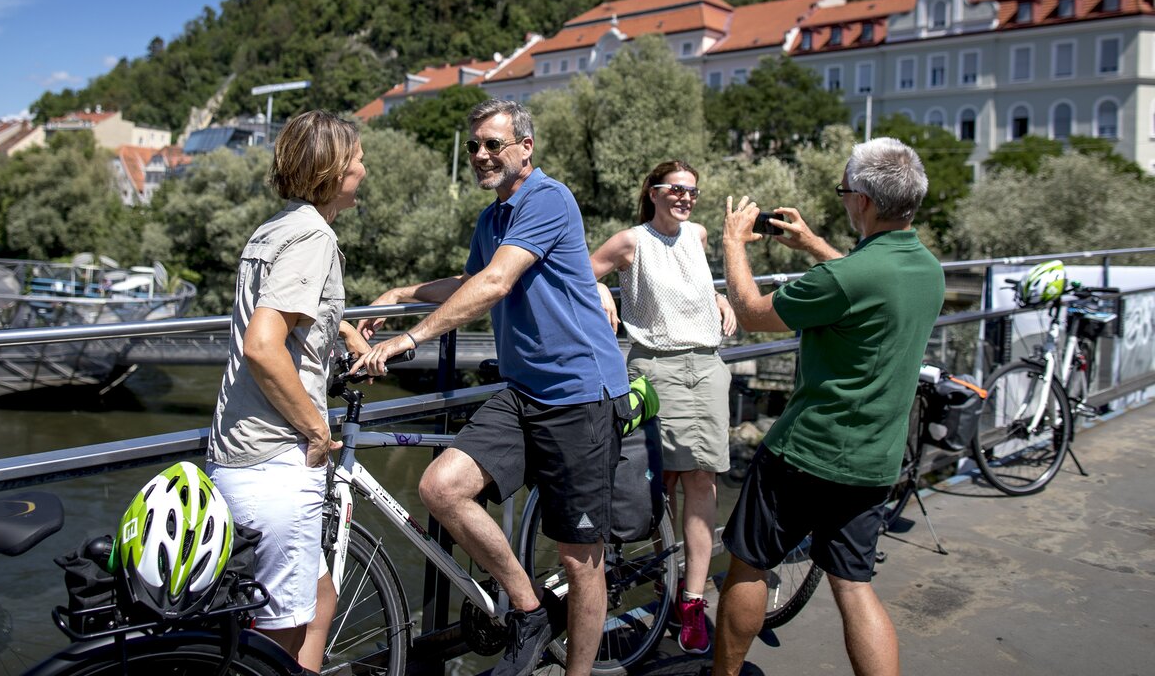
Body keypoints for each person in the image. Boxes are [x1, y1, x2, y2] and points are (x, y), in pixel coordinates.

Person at [354, 99, 631, 676]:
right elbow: (471, 279)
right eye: (475, 144)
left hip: (581, 393)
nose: (481, 154)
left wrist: (409, 340)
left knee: (583, 562)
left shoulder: (548, 199)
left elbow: (498, 283)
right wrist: (399, 294)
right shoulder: (491, 218)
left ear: (525, 148)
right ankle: (529, 609)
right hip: (523, 389)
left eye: (493, 145)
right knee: (442, 487)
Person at [711, 137, 944, 676]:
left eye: (844, 192)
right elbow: (864, 285)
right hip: (874, 461)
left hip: (806, 451)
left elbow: (750, 312)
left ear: (862, 200)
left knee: (748, 564)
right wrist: (816, 243)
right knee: (854, 585)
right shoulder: (926, 270)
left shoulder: (843, 278)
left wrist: (733, 244)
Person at [206, 110, 369, 674]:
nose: (363, 170)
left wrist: (341, 329)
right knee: (274, 643)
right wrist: (316, 429)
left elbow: (282, 313)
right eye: (356, 159)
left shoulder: (276, 227)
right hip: (277, 460)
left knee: (319, 599)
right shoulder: (312, 237)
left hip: (238, 454)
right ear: (330, 170)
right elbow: (263, 344)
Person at [589, 160, 736, 655]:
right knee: (662, 484)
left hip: (708, 367)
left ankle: (692, 600)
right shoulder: (630, 241)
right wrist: (601, 292)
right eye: (676, 189)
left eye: (692, 191)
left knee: (703, 478)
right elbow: (578, 273)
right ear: (653, 192)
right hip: (658, 370)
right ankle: (667, 584)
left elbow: (689, 284)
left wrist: (718, 296)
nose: (685, 198)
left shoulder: (696, 235)